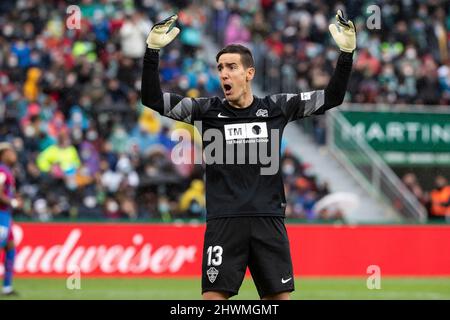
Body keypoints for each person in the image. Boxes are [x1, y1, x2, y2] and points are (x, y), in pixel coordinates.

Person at [141, 11, 355, 300]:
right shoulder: (205, 111)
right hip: (224, 221)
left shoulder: (277, 106)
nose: (224, 74)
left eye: (231, 67)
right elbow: (152, 99)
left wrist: (345, 54)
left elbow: (332, 97)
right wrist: (152, 52)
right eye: (220, 68)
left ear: (249, 73)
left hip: (268, 220)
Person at [0, 142, 21, 295]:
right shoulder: (1, 170)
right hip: (1, 215)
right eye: (10, 152)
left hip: (6, 215)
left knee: (10, 247)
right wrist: (13, 201)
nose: (14, 154)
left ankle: (7, 287)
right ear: (3, 154)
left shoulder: (7, 171)